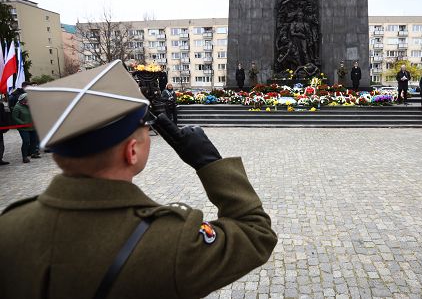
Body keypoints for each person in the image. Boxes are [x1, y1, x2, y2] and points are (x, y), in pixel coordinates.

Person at [0, 61, 277, 298]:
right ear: (131, 151)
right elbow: (257, 234)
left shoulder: (9, 227)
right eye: (144, 127)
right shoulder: (170, 242)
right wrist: (210, 164)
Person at [11, 93, 40, 163]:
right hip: (23, 128)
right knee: (26, 141)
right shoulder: (17, 107)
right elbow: (14, 117)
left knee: (34, 140)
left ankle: (33, 153)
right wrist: (22, 123)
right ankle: (24, 157)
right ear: (23, 100)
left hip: (33, 127)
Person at [0, 100, 9, 165]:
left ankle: (0, 159)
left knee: (1, 145)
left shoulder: (1, 105)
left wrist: (5, 126)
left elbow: (3, 116)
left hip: (0, 128)